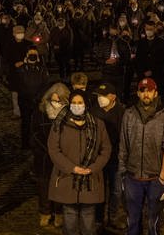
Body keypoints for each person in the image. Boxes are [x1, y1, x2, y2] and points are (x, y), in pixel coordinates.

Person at [47, 89, 111, 235]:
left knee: (89, 221)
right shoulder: (59, 124)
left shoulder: (98, 124)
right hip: (67, 179)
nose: (77, 105)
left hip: (90, 180)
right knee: (69, 220)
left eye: (80, 102)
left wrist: (93, 168)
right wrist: (72, 168)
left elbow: (106, 149)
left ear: (86, 104)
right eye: (74, 103)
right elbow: (53, 149)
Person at [119, 78, 164, 235]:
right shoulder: (129, 115)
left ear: (155, 93)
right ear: (138, 93)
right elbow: (123, 145)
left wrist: (162, 176)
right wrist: (123, 173)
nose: (146, 94)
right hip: (132, 177)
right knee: (133, 220)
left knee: (153, 221)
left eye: (149, 90)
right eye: (142, 91)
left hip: (154, 178)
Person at [31, 83, 69, 228]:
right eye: (53, 100)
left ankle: (59, 213)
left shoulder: (68, 115)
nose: (56, 103)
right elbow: (33, 134)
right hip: (43, 157)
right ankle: (45, 212)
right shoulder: (40, 113)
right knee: (43, 186)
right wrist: (45, 149)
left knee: (60, 186)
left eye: (59, 101)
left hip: (61, 157)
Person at [90, 82, 126, 231]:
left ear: (113, 97)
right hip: (98, 159)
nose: (100, 98)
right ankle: (98, 219)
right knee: (99, 190)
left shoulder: (122, 112)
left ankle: (113, 217)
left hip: (116, 158)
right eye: (98, 95)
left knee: (116, 190)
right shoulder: (93, 111)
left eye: (103, 96)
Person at [16, 47, 49, 149]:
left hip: (38, 100)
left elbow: (45, 84)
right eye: (30, 53)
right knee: (25, 122)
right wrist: (27, 96)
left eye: (35, 53)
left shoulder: (42, 69)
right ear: (26, 55)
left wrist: (38, 97)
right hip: (24, 100)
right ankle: (25, 143)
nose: (33, 55)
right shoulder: (21, 69)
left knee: (38, 122)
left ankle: (37, 142)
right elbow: (18, 84)